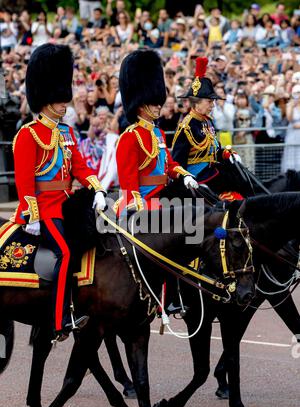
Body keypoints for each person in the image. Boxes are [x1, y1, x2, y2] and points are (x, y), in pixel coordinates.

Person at [12, 44, 107, 342]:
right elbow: (24, 180)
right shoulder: (28, 133)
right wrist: (32, 215)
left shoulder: (66, 133)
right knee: (64, 252)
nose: (64, 102)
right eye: (59, 96)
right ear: (45, 98)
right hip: (44, 208)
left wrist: (97, 187)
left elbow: (80, 165)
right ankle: (58, 320)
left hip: (66, 204)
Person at [114, 48, 198, 217]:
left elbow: (169, 164)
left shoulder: (158, 133)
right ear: (140, 104)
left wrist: (185, 175)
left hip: (164, 196)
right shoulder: (130, 136)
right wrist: (136, 205)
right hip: (145, 200)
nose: (159, 105)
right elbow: (127, 179)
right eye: (153, 102)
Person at [172, 57, 249, 201]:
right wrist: (185, 178)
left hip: (211, 171)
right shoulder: (186, 127)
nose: (213, 105)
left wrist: (227, 154)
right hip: (198, 178)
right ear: (196, 103)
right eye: (209, 101)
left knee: (243, 178)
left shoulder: (207, 122)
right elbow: (177, 161)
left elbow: (215, 149)